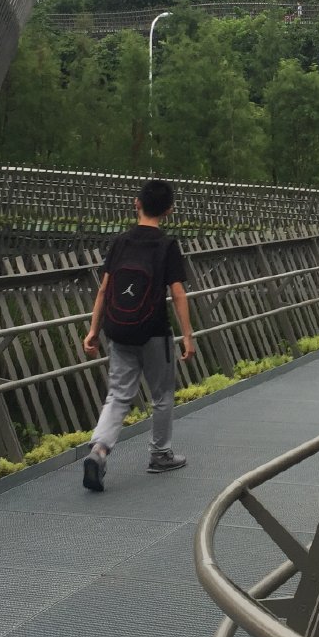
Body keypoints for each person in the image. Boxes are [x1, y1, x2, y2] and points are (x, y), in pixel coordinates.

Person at [80, 179, 194, 491]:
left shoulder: (120, 242)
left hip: (119, 330)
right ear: (169, 210)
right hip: (154, 331)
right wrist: (187, 336)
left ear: (136, 203)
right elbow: (178, 294)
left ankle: (99, 450)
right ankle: (160, 454)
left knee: (118, 394)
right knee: (161, 395)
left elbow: (104, 290)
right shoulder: (167, 245)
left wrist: (93, 330)